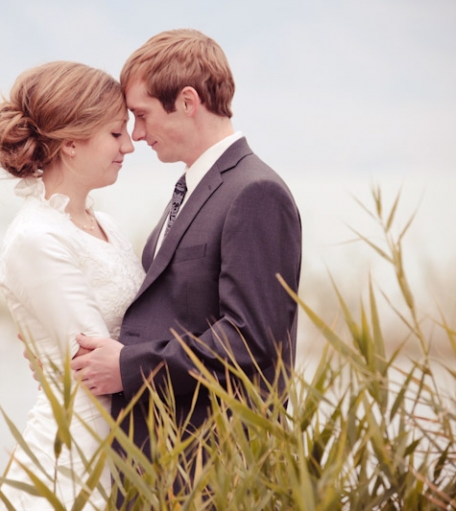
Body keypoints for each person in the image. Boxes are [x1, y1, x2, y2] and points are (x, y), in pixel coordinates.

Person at [70, 29, 302, 472]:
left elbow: (250, 340)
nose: (136, 135)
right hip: (167, 456)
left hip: (218, 463)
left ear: (188, 101)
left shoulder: (255, 192)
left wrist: (129, 367)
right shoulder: (194, 187)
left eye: (142, 115)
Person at [0, 61, 144, 510]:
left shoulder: (108, 225)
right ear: (72, 143)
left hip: (124, 445)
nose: (130, 145)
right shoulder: (36, 238)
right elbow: (96, 361)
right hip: (74, 457)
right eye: (116, 134)